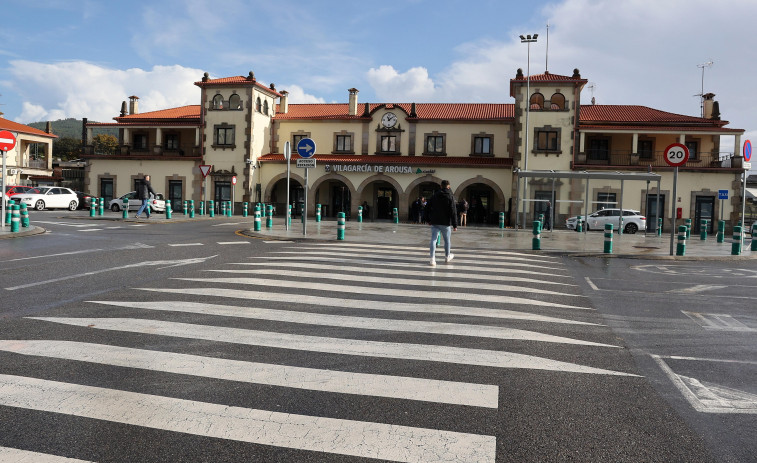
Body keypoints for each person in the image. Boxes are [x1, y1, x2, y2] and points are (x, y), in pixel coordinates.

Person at [425, 180, 458, 266]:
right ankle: (447, 256)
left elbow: (427, 208)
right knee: (447, 241)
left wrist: (428, 220)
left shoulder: (434, 195)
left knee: (433, 239)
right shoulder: (450, 196)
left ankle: (432, 259)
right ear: (449, 186)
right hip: (445, 222)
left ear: (441, 186)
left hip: (435, 221)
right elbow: (453, 211)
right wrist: (455, 225)